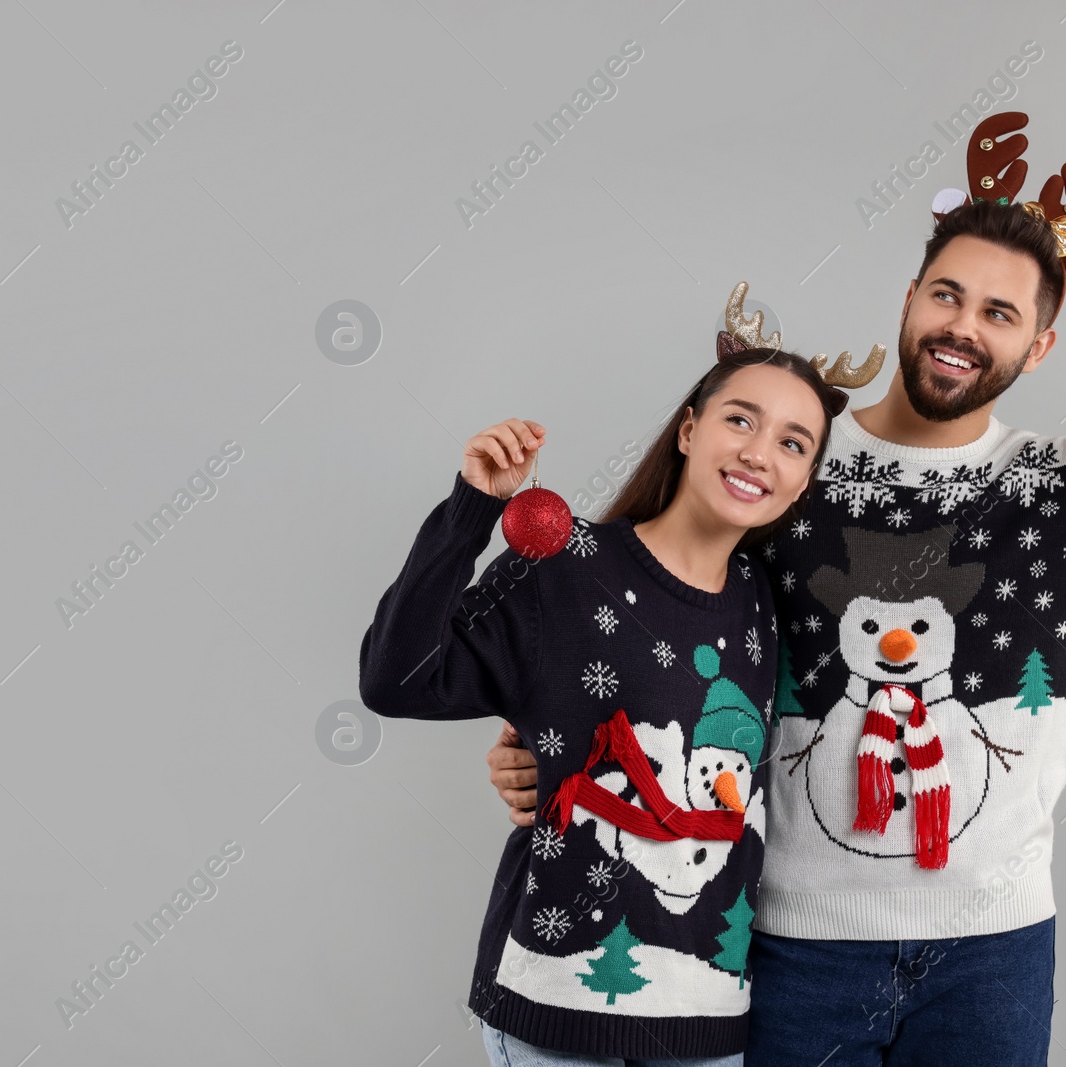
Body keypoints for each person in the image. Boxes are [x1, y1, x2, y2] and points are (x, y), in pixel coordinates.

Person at [485, 113, 1066, 1065]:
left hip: (995, 953)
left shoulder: (1065, 487)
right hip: (789, 941)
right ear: (909, 298)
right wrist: (546, 735)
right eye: (947, 295)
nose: (963, 327)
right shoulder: (789, 461)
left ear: (1039, 347)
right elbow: (654, 603)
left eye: (1000, 314)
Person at [357, 324, 875, 1065]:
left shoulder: (770, 602)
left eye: (795, 443)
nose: (761, 452)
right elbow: (395, 678)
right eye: (740, 419)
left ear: (805, 476)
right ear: (690, 430)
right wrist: (472, 506)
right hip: (555, 1006)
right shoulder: (568, 566)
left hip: (705, 1016)